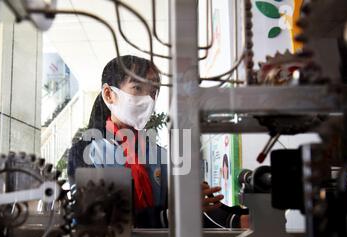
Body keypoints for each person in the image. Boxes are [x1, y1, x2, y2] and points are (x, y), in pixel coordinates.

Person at [68, 55, 244, 228]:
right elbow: (96, 220)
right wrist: (172, 214)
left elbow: (191, 208)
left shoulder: (159, 155)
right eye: (137, 88)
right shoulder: (87, 152)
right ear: (109, 94)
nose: (148, 99)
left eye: (153, 92)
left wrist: (238, 220)